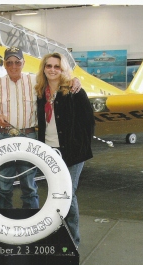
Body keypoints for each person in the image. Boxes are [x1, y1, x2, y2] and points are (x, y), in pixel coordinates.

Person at [0, 46, 81, 210]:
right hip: (3, 137)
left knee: (29, 185)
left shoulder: (35, 83)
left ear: (23, 63)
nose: (13, 66)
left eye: (17, 62)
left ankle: (31, 224)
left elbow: (57, 82)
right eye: (9, 62)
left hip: (28, 136)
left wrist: (74, 80)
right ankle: (3, 224)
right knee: (3, 185)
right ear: (4, 64)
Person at [35, 52, 95, 248]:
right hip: (49, 151)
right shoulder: (40, 93)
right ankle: (57, 236)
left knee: (67, 194)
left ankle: (72, 242)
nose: (52, 70)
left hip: (72, 152)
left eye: (57, 66)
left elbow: (89, 122)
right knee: (54, 194)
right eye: (49, 66)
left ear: (63, 69)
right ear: (44, 69)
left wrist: (80, 147)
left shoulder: (74, 91)